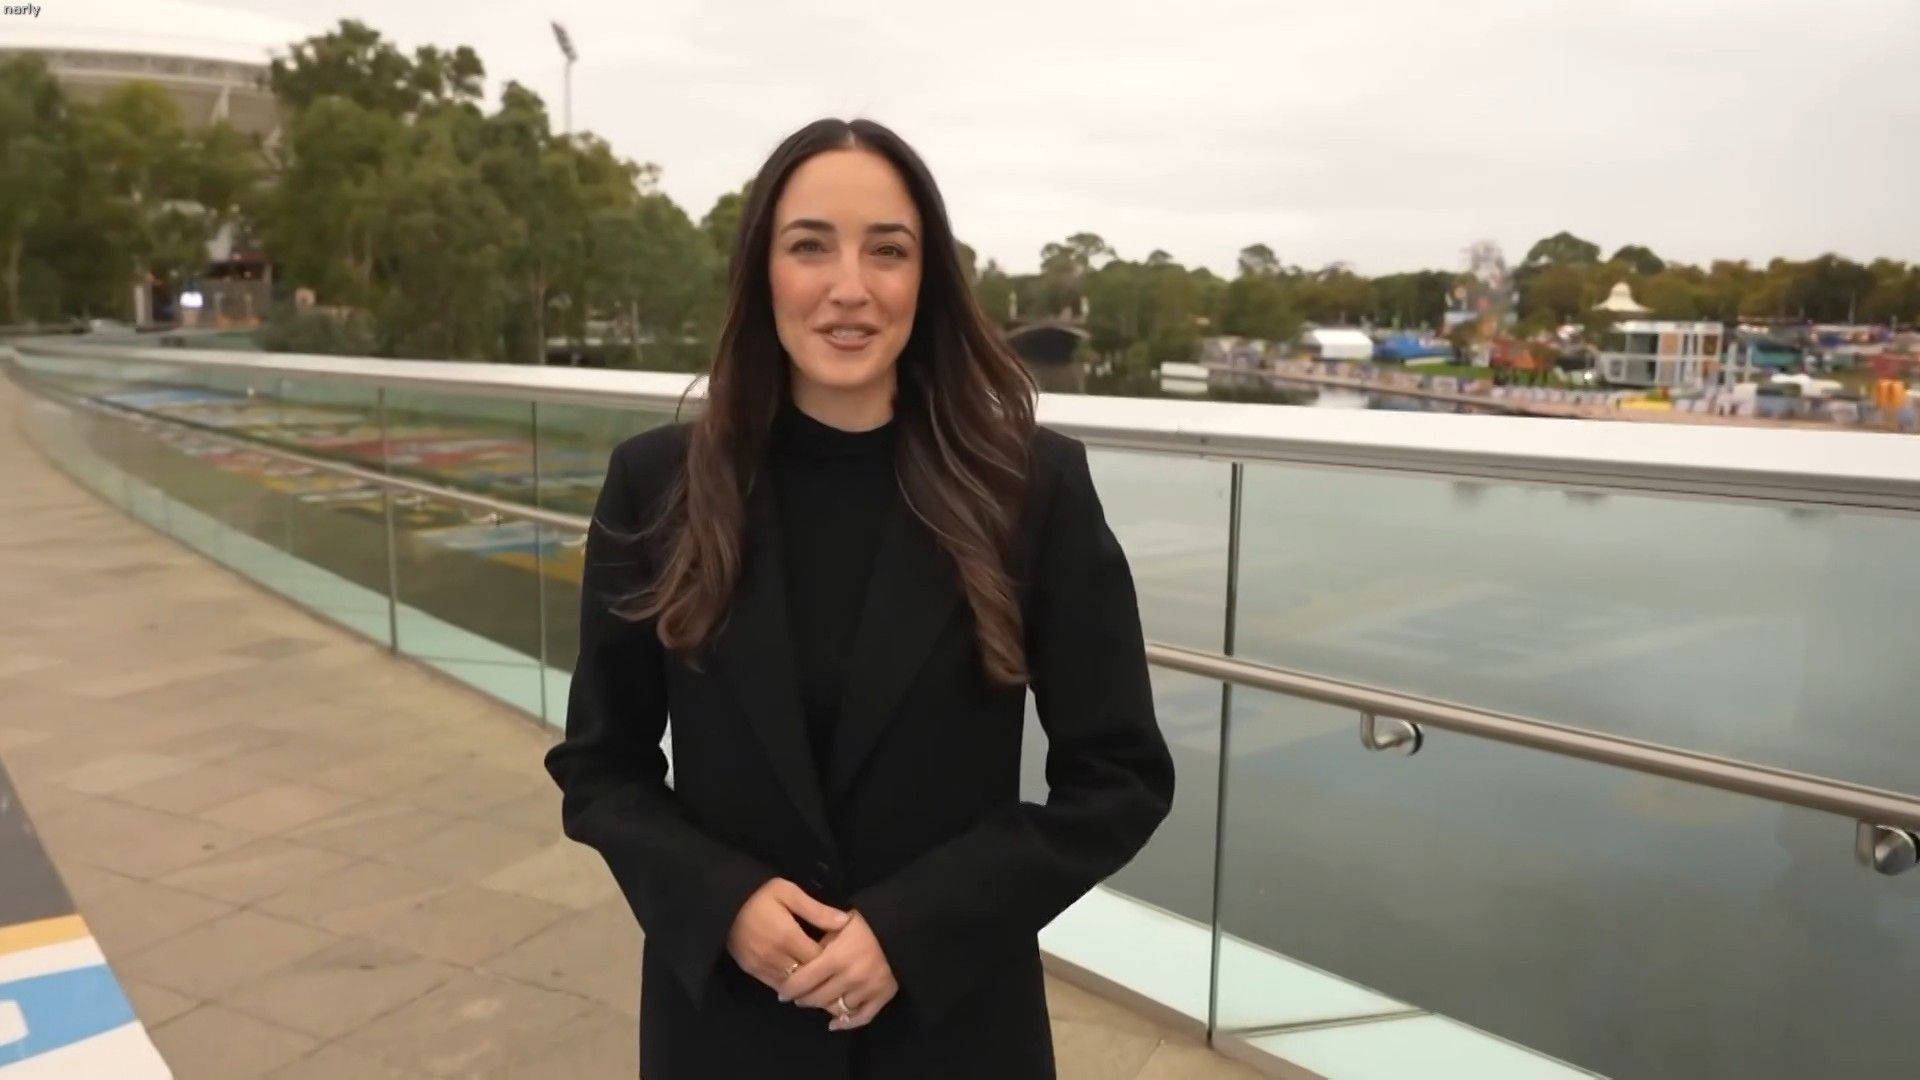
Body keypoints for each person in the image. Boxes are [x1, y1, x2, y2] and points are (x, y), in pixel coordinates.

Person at [542, 117, 1176, 1079]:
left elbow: (1120, 778)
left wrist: (916, 929)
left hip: (955, 1037)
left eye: (887, 250)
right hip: (728, 1033)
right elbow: (601, 767)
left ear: (928, 278)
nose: (850, 287)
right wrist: (721, 901)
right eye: (810, 247)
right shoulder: (657, 485)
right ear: (762, 272)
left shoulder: (1028, 489)